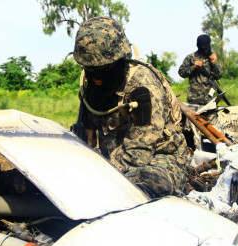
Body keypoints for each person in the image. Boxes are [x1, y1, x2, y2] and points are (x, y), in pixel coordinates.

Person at [72, 16, 188, 198]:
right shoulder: (91, 86)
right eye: (90, 68)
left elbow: (138, 157)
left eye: (104, 68)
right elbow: (87, 136)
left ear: (120, 60)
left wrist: (96, 171)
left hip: (160, 159)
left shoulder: (142, 87)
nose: (97, 78)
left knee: (148, 183)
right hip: (112, 161)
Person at [178, 34, 223, 105]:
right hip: (194, 99)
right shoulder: (191, 58)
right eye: (203, 48)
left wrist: (214, 64)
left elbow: (219, 75)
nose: (205, 50)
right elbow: (181, 73)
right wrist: (193, 67)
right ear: (198, 46)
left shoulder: (212, 58)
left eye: (207, 47)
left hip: (210, 100)